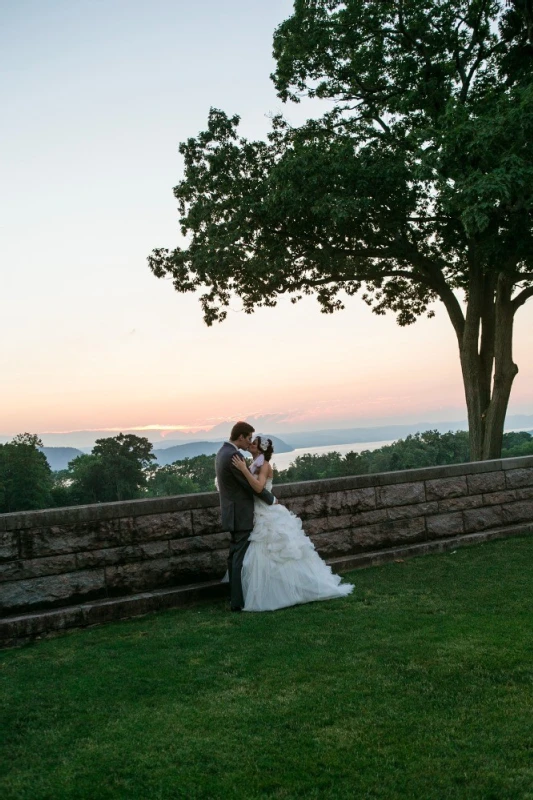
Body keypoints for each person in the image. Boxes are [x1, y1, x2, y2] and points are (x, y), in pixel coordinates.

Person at [232, 435, 354, 612]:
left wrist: (243, 470)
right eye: (251, 442)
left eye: (254, 443)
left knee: (276, 552)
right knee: (262, 555)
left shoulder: (264, 465)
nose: (250, 444)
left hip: (267, 513)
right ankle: (271, 593)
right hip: (257, 511)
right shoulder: (254, 464)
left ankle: (296, 590)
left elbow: (258, 488)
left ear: (260, 449)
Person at [215, 421, 277, 612]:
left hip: (231, 512)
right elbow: (251, 486)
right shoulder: (234, 456)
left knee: (234, 556)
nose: (249, 442)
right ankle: (237, 602)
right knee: (239, 559)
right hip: (241, 514)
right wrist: (271, 499)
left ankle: (236, 597)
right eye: (249, 438)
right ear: (240, 437)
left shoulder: (221, 452)